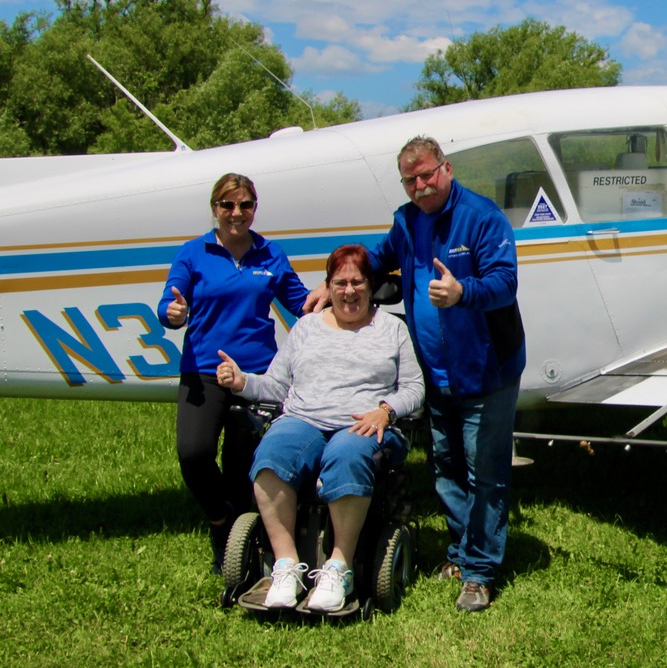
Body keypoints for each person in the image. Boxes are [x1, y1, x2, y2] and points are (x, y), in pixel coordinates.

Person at [306, 135, 524, 612]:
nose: (421, 186)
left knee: (484, 473)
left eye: (428, 175)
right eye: (411, 180)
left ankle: (480, 573)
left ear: (445, 168)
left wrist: (463, 291)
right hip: (435, 374)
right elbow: (372, 262)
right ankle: (460, 550)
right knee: (445, 467)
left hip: (487, 370)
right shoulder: (406, 223)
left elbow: (505, 283)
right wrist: (332, 281)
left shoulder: (482, 217)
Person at [216, 244, 425, 611]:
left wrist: (386, 411)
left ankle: (339, 567)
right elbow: (276, 387)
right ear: (328, 287)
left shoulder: (391, 328)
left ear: (370, 284)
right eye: (340, 283)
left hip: (361, 424)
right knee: (271, 455)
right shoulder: (307, 327)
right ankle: (285, 566)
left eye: (357, 282)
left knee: (346, 454)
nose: (349, 291)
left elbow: (415, 388)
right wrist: (241, 382)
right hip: (304, 418)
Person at [158, 173, 309, 573]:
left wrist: (334, 297)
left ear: (254, 209)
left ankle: (241, 552)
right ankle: (220, 518)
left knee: (245, 465)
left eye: (245, 205)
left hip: (256, 373)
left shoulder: (270, 254)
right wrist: (172, 314)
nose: (236, 213)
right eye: (228, 205)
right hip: (203, 371)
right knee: (194, 454)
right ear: (215, 209)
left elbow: (299, 301)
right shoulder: (194, 252)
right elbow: (170, 301)